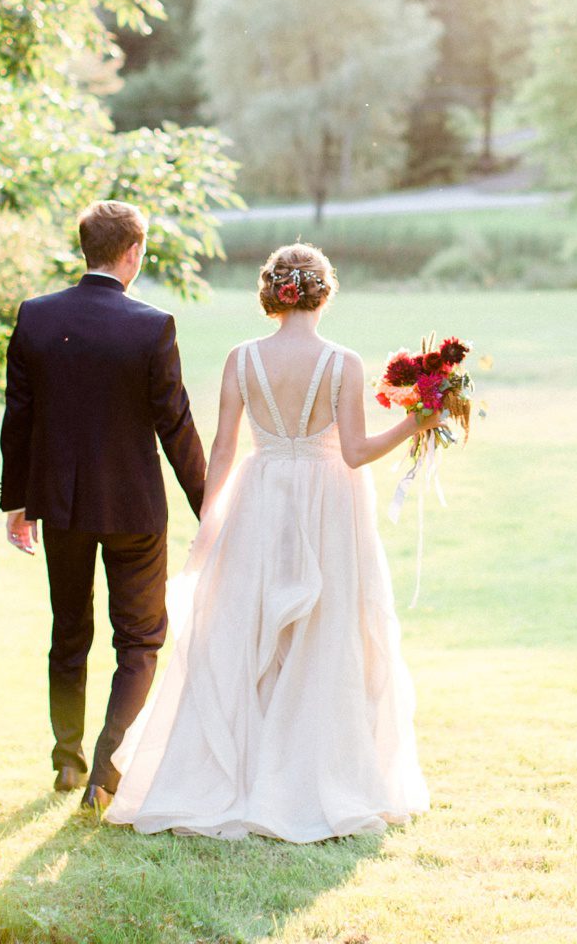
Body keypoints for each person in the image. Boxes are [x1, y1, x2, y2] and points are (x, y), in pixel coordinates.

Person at [104, 242, 430, 840]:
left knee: (247, 633)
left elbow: (224, 450)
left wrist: (211, 522)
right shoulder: (342, 362)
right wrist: (416, 421)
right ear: (323, 291)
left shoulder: (240, 359)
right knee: (324, 633)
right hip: (328, 504)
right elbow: (355, 453)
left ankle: (240, 774)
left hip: (258, 498)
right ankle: (307, 774)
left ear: (272, 292)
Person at [0, 200, 206, 812]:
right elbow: (177, 426)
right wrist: (209, 507)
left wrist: (19, 502)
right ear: (133, 253)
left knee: (69, 630)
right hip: (135, 510)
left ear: (86, 248)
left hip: (60, 507)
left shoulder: (36, 317)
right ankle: (107, 774)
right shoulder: (152, 324)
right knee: (139, 642)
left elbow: (20, 418)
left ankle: (67, 762)